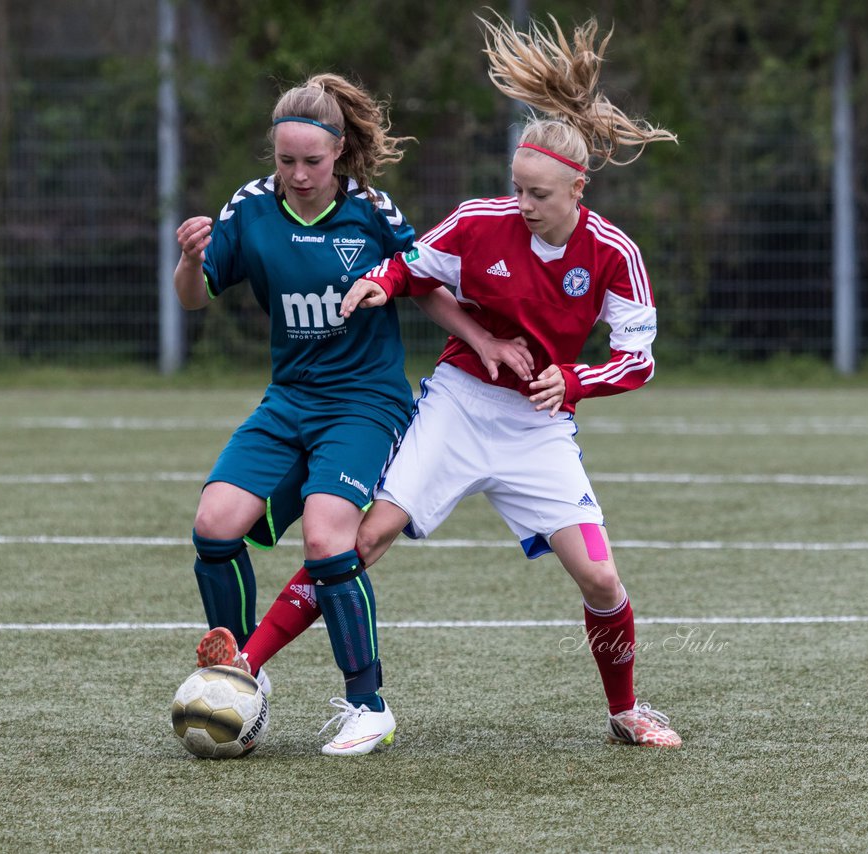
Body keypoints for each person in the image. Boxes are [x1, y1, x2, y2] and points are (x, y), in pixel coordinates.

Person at [199, 13, 684, 749]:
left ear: (577, 190)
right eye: (518, 188)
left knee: (601, 581)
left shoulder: (613, 253)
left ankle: (625, 712)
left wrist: (574, 380)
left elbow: (638, 357)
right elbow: (412, 265)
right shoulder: (481, 221)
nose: (523, 205)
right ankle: (248, 668)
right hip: (458, 405)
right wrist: (376, 283)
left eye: (540, 195)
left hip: (538, 428)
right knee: (356, 544)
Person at [175, 73, 532, 756]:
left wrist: (483, 339)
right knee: (214, 524)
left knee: (326, 537)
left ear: (339, 153)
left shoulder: (370, 211)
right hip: (289, 400)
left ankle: (369, 705)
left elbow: (421, 279)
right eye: (286, 161)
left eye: (312, 161)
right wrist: (190, 260)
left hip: (366, 402)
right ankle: (241, 670)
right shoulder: (250, 208)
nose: (299, 174)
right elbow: (194, 298)